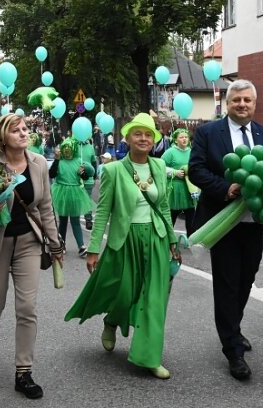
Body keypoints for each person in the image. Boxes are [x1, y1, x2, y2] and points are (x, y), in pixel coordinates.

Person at [65, 112, 179, 380]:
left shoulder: (160, 167)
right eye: (137, 133)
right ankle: (111, 321)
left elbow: (163, 206)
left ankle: (149, 356)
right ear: (126, 138)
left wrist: (173, 240)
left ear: (154, 140)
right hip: (125, 239)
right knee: (126, 293)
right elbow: (103, 211)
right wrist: (93, 249)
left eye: (148, 134)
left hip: (156, 237)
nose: (143, 138)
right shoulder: (113, 170)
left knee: (154, 298)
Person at [0, 113, 64, 400]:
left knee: (27, 308)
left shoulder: (38, 164)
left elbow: (45, 206)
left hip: (28, 243)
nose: (23, 134)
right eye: (15, 131)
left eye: (25, 129)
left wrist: (55, 243)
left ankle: (24, 372)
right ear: (2, 138)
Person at [188, 79, 263, 380]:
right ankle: (233, 350)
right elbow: (196, 170)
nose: (242, 105)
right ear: (228, 104)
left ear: (254, 103)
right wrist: (228, 188)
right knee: (227, 283)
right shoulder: (207, 133)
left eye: (247, 101)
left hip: (254, 223)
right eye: (236, 100)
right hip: (222, 220)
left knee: (246, 279)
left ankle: (233, 329)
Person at [50, 138, 94, 257]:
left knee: (75, 221)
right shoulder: (60, 161)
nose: (67, 152)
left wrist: (82, 173)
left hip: (75, 192)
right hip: (62, 193)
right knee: (63, 221)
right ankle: (61, 243)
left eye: (69, 149)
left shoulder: (78, 161)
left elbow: (85, 177)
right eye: (65, 149)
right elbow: (51, 174)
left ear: (73, 150)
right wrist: (56, 160)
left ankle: (81, 246)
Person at [161, 127, 195, 234]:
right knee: (172, 215)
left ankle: (191, 239)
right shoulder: (170, 152)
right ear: (176, 140)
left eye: (186, 137)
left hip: (190, 188)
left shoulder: (193, 152)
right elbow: (160, 167)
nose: (184, 139)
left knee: (191, 216)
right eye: (181, 137)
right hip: (175, 188)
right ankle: (167, 238)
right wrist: (175, 172)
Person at [79, 138, 98, 230]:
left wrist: (94, 177)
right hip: (76, 178)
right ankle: (77, 219)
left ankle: (88, 220)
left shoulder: (90, 147)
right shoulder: (73, 146)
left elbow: (94, 163)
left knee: (87, 200)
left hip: (88, 178)